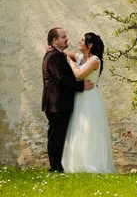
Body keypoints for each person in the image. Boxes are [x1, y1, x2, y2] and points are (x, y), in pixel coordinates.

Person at [60, 32, 117, 173]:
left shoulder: (95, 61)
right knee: (78, 127)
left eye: (82, 40)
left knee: (90, 129)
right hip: (80, 96)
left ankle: (91, 163)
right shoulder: (80, 57)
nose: (79, 42)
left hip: (90, 98)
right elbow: (66, 52)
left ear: (89, 45)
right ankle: (77, 163)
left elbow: (79, 74)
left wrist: (70, 62)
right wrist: (54, 48)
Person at [42, 27, 95, 172]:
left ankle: (59, 166)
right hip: (56, 103)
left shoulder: (58, 54)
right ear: (55, 40)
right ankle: (55, 168)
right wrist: (81, 85)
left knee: (59, 135)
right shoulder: (53, 56)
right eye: (64, 37)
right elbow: (61, 79)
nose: (67, 39)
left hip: (60, 103)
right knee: (56, 136)